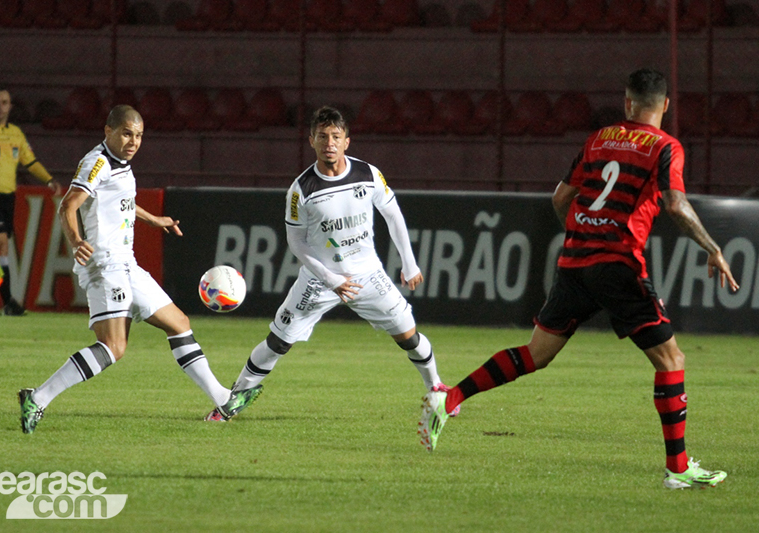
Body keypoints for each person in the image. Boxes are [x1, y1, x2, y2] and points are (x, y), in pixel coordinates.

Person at [418, 68, 740, 490]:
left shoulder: (599, 138)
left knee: (536, 354)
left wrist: (582, 233)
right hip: (620, 263)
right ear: (665, 105)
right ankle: (678, 470)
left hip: (575, 261)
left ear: (627, 103)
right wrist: (713, 248)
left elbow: (561, 198)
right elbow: (677, 206)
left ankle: (450, 397)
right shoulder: (666, 146)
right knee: (671, 360)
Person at [17, 105, 257, 434]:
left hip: (126, 263)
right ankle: (38, 398)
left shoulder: (121, 165)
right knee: (114, 347)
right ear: (109, 131)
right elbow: (68, 205)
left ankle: (223, 398)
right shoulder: (97, 162)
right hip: (104, 264)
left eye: (139, 135)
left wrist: (154, 220)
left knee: (179, 323)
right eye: (127, 133)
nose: (134, 141)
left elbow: (123, 201)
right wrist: (75, 241)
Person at [206, 106, 455, 421]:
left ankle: (437, 389)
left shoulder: (368, 174)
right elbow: (297, 242)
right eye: (322, 136)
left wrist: (409, 263)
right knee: (278, 342)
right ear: (311, 140)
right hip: (318, 280)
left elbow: (393, 214)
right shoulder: (301, 191)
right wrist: (330, 278)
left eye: (336, 136)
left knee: (409, 336)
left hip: (367, 275)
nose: (329, 143)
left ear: (347, 141)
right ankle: (231, 402)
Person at [0, 87, 61, 315]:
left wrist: (48, 179)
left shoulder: (16, 134)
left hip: (7, 197)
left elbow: (30, 161)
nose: (0, 106)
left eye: (4, 102)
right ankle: (8, 302)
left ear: (10, 106)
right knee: (0, 245)